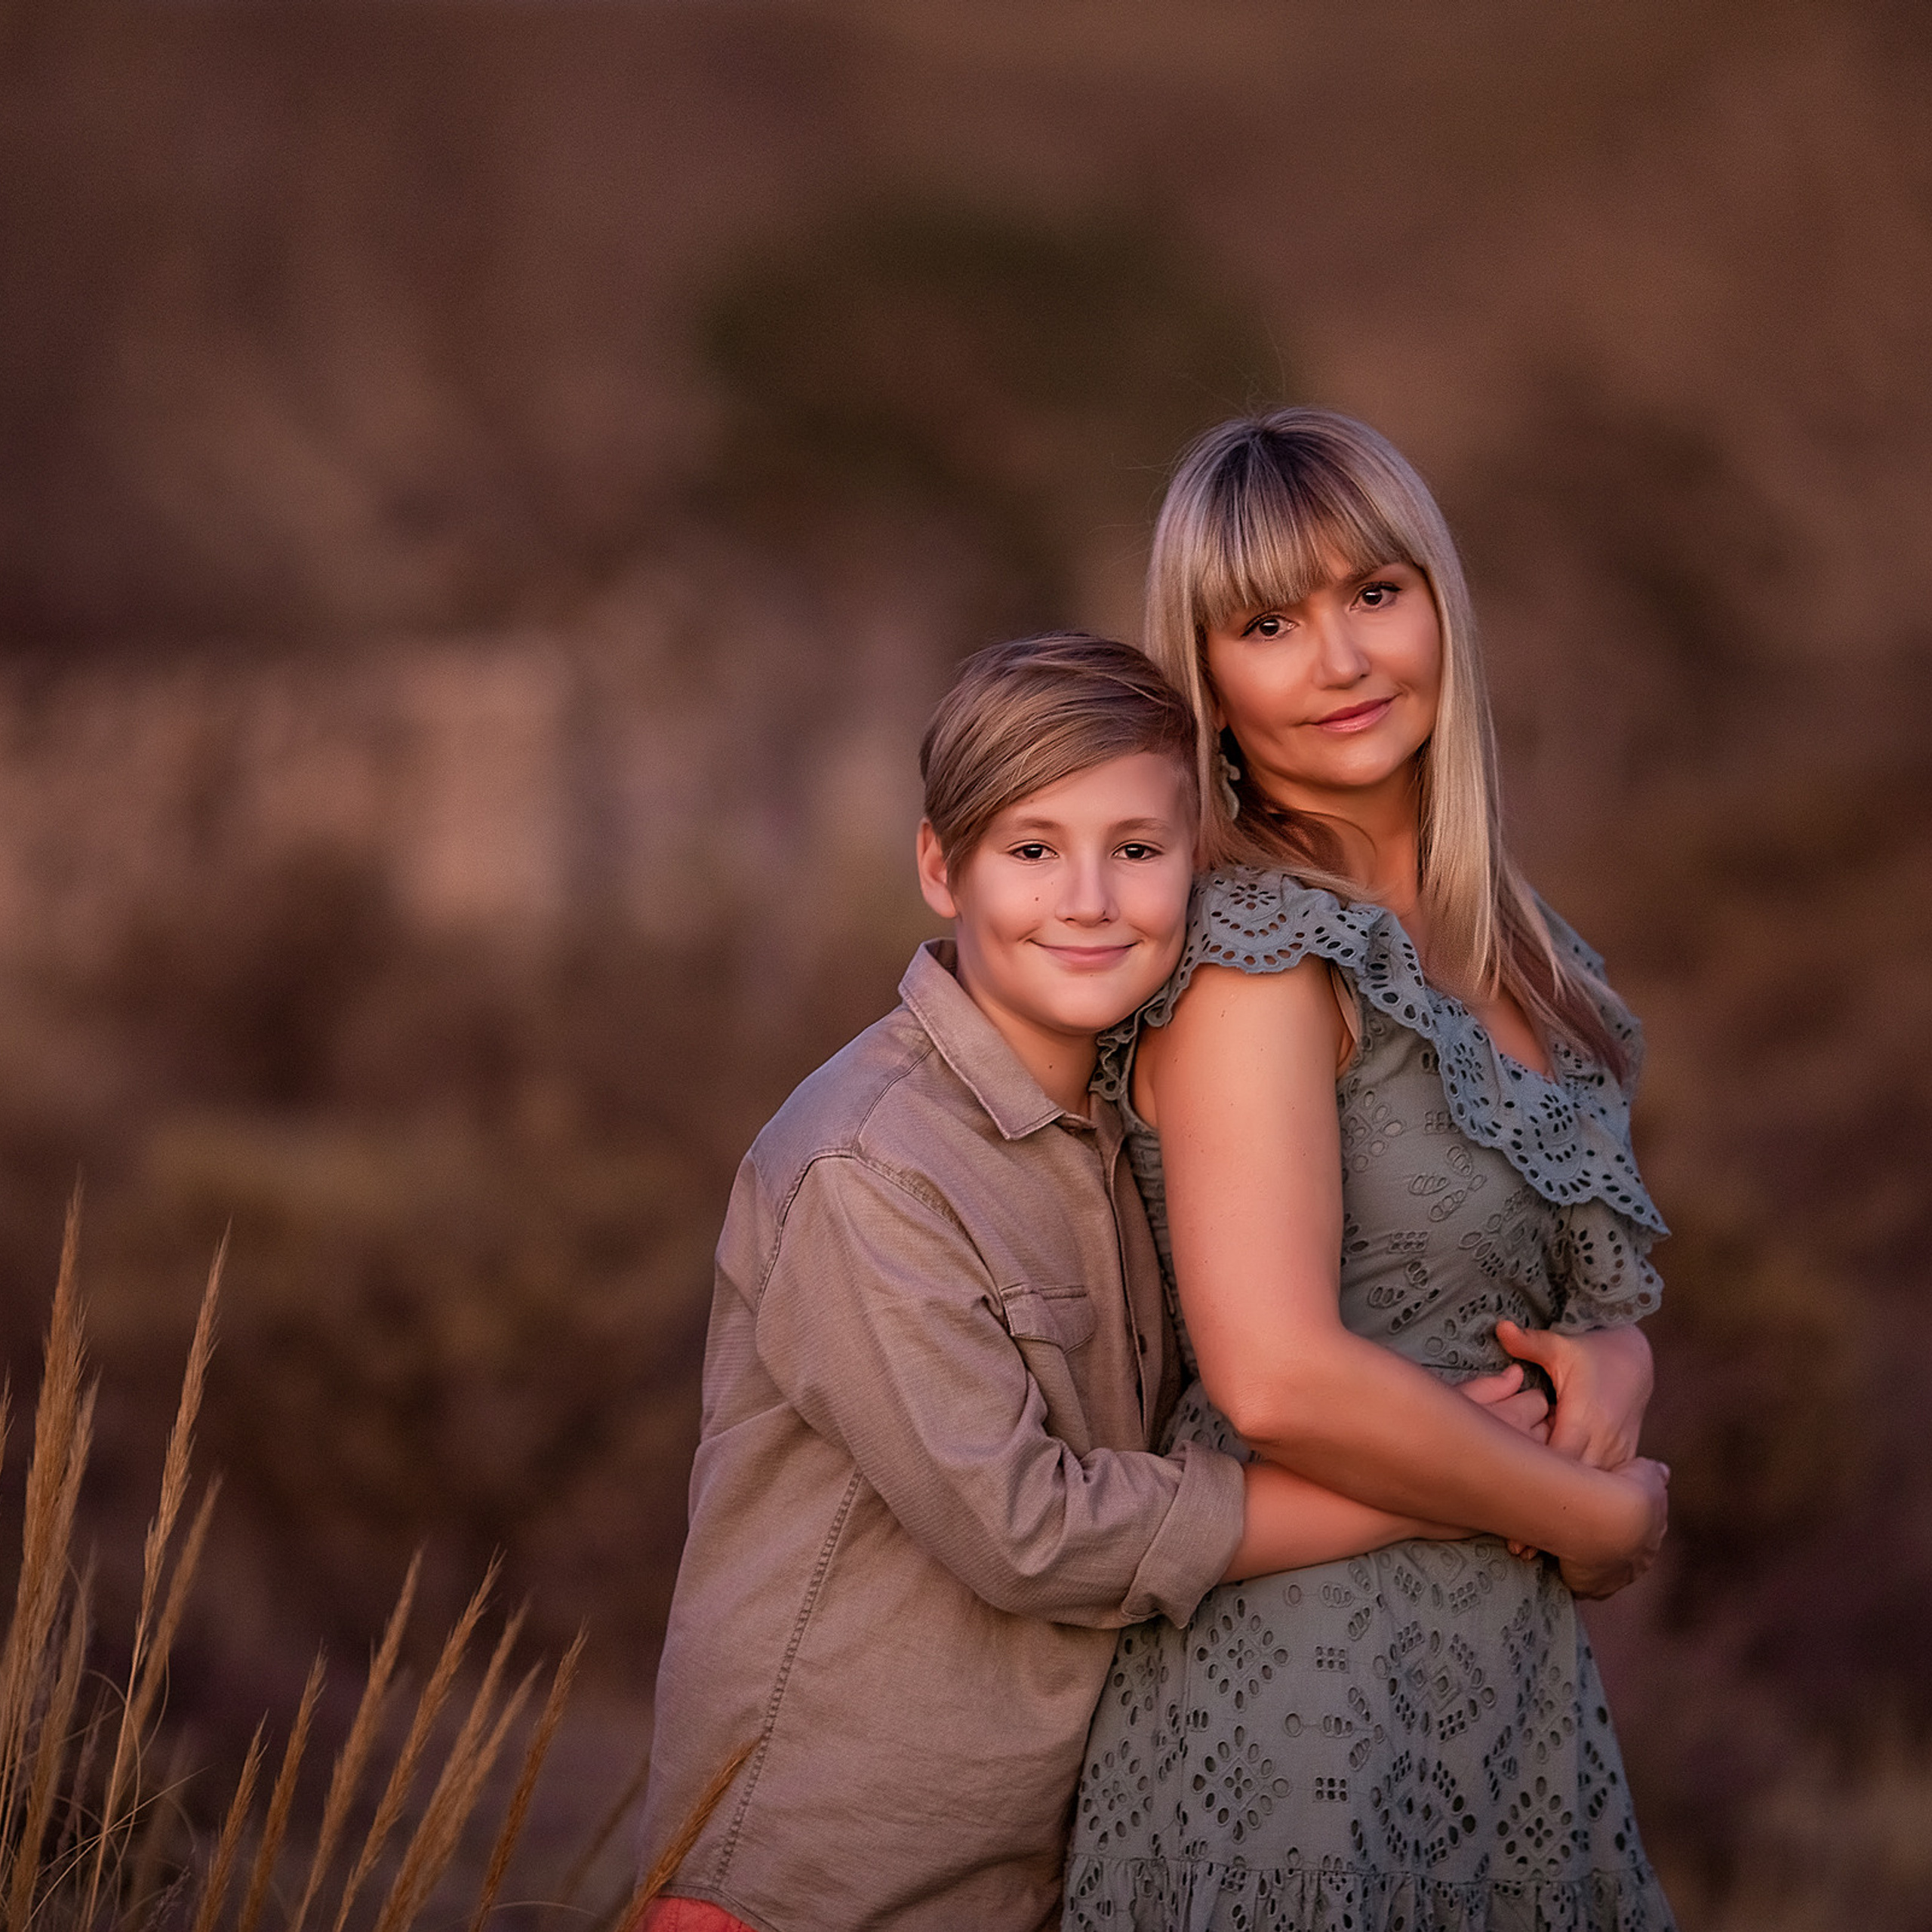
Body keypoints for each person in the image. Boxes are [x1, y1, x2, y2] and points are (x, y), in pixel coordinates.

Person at [635, 633, 1635, 1932]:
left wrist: (1605, 1352)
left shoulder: (1129, 1123)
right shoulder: (869, 1166)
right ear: (941, 866)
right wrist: (1441, 1496)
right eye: (1033, 850)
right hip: (814, 1882)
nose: (1091, 899)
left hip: (1029, 1867)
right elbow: (1033, 1531)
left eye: (1139, 850)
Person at [1063, 411, 1677, 1930]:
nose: (1336, 660)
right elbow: (1271, 1373)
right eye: (1267, 623)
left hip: (1505, 1681)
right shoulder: (1253, 955)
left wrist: (1611, 1353)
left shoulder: (1518, 951)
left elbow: (1513, 1274)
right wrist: (1590, 1513)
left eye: (1372, 594)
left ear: (1438, 605)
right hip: (1303, 1693)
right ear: (1204, 677)